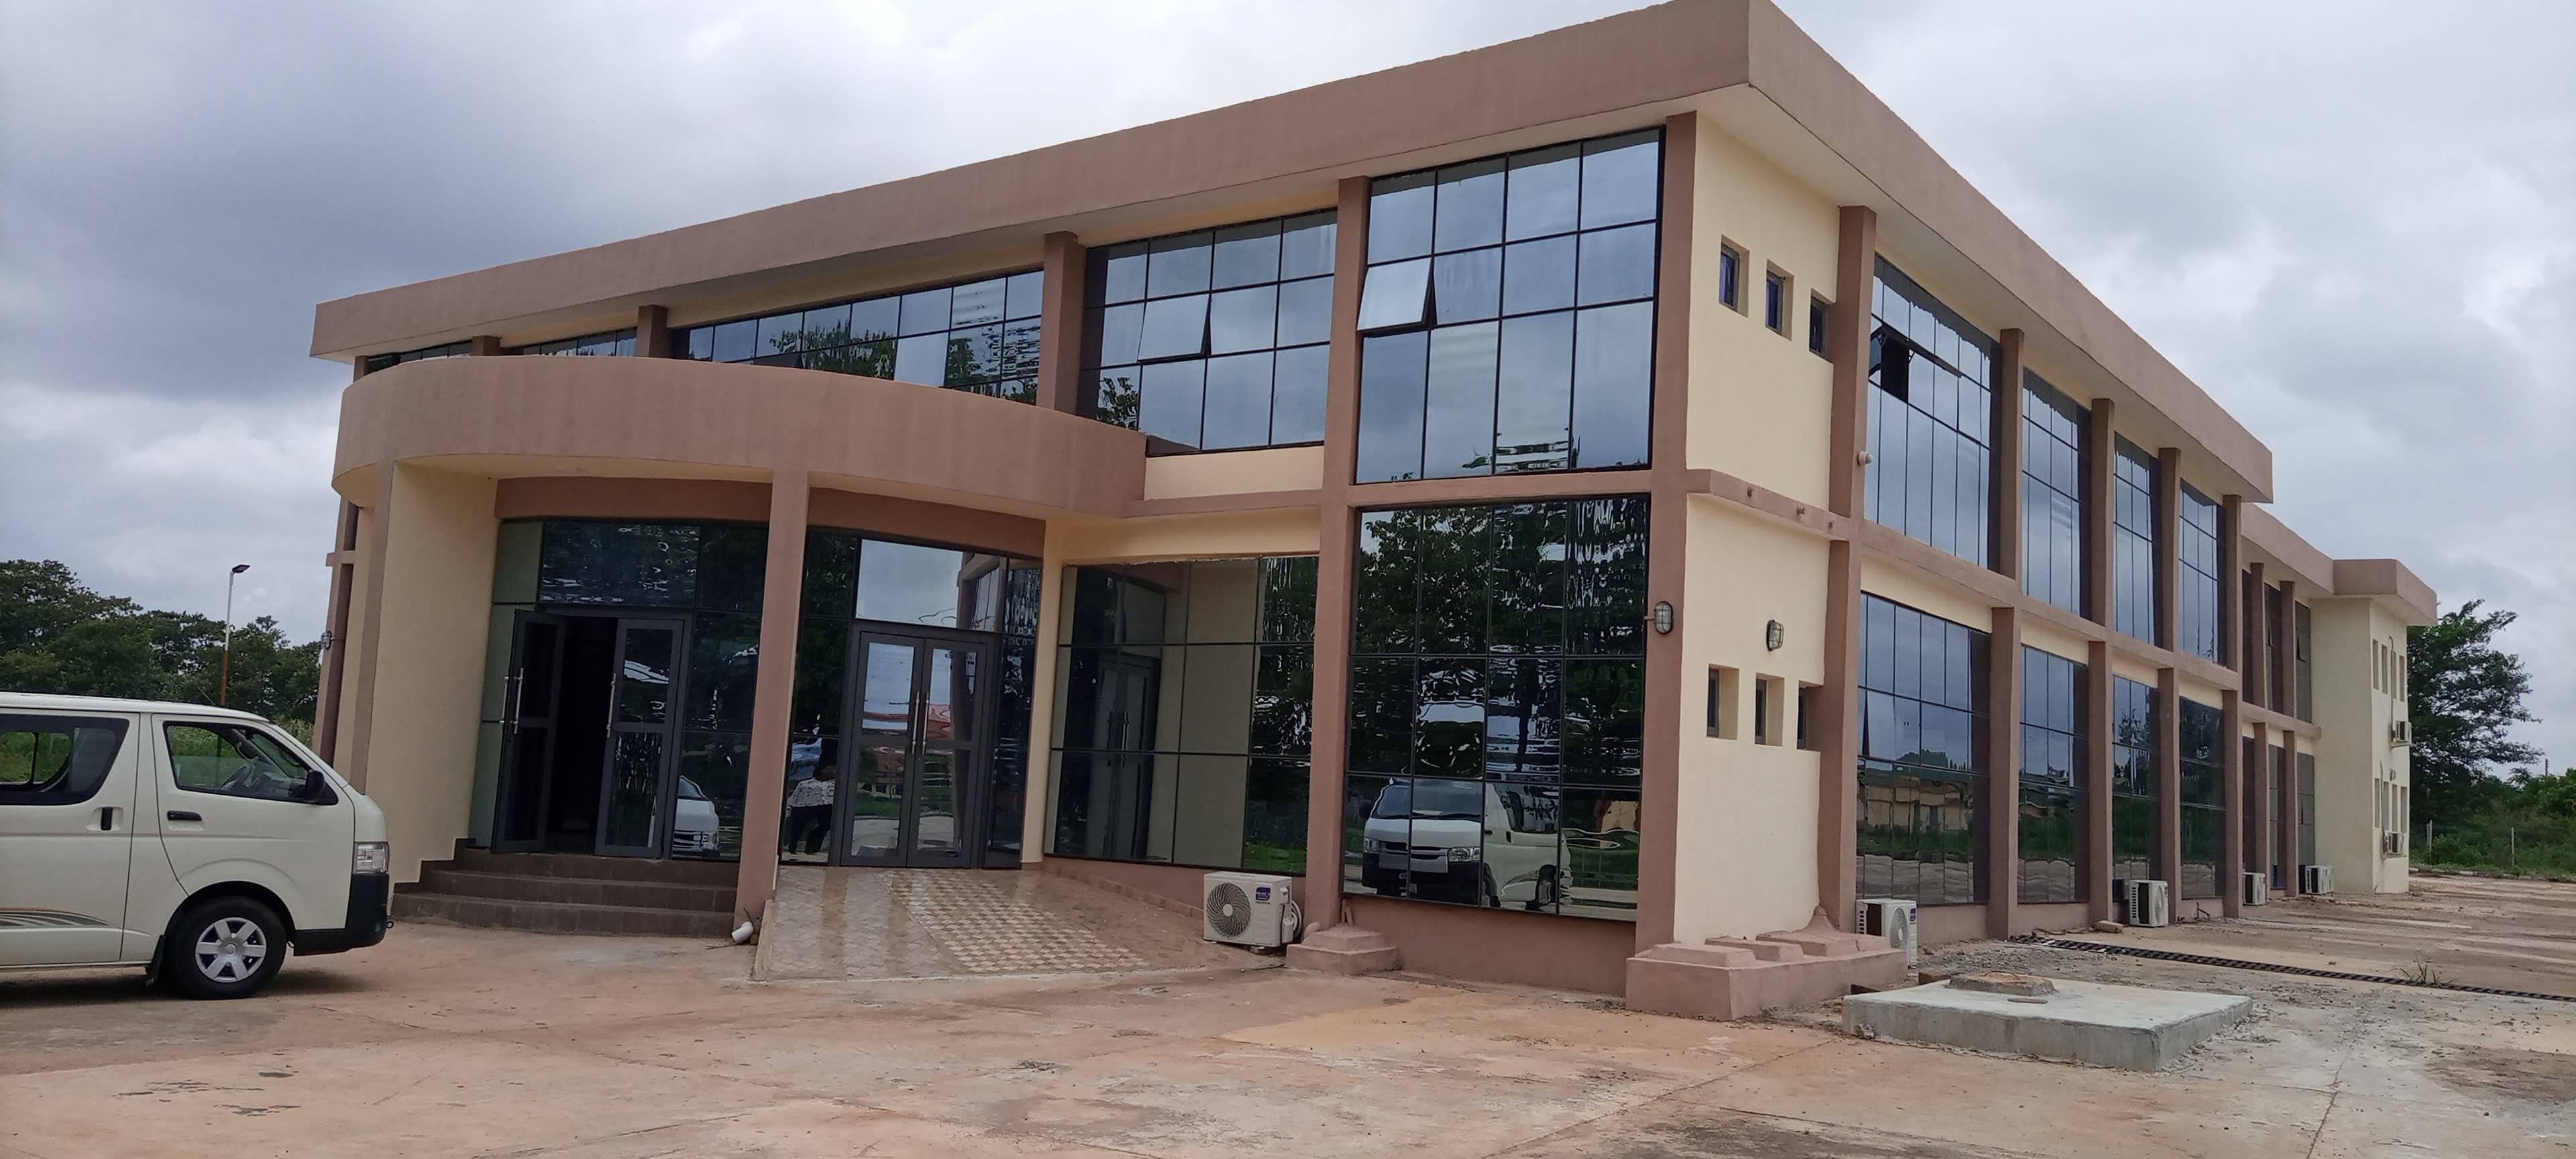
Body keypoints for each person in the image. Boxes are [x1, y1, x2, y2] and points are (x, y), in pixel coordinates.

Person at [785, 765, 836, 856]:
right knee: (798, 827)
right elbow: (795, 796)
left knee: (825, 826)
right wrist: (790, 806)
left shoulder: (836, 784)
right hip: (803, 806)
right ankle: (792, 847)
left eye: (833, 769)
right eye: (828, 769)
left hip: (826, 806)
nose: (831, 771)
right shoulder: (805, 783)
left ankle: (811, 848)